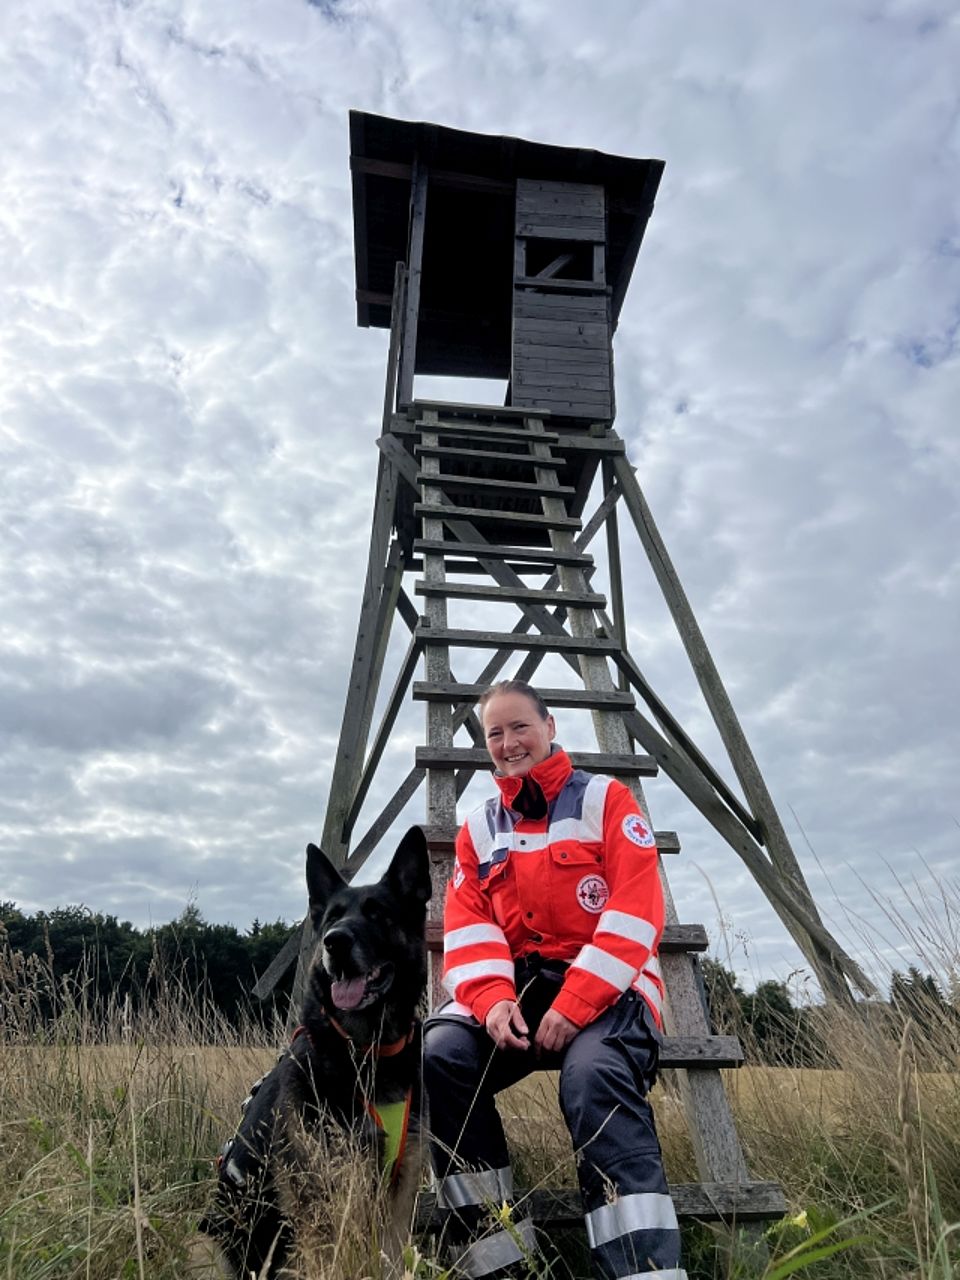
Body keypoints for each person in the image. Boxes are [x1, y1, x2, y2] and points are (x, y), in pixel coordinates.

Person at [423, 680, 686, 1280]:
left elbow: (635, 910)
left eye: (521, 727)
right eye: (496, 733)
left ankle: (641, 1271)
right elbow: (469, 929)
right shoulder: (478, 829)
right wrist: (490, 1001)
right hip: (519, 987)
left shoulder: (608, 801)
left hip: (611, 985)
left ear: (550, 727)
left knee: (594, 1075)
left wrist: (574, 1003)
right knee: (438, 1056)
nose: (509, 742)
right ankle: (498, 1260)